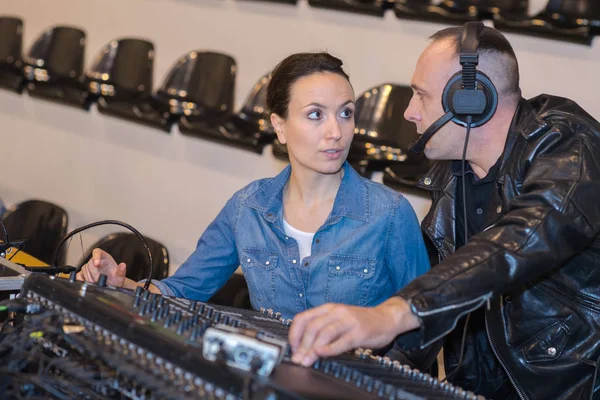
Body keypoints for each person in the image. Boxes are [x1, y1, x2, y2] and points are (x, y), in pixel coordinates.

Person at [288, 24, 600, 400]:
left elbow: (518, 241)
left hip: (573, 385)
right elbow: (447, 284)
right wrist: (371, 365)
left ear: (471, 100)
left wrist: (394, 312)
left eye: (421, 95)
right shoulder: (455, 171)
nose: (409, 112)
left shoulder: (571, 148)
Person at [78, 52, 430, 320]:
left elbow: (424, 324)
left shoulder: (390, 215)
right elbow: (181, 291)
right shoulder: (246, 208)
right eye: (315, 114)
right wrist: (119, 283)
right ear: (279, 126)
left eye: (345, 113)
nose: (335, 132)